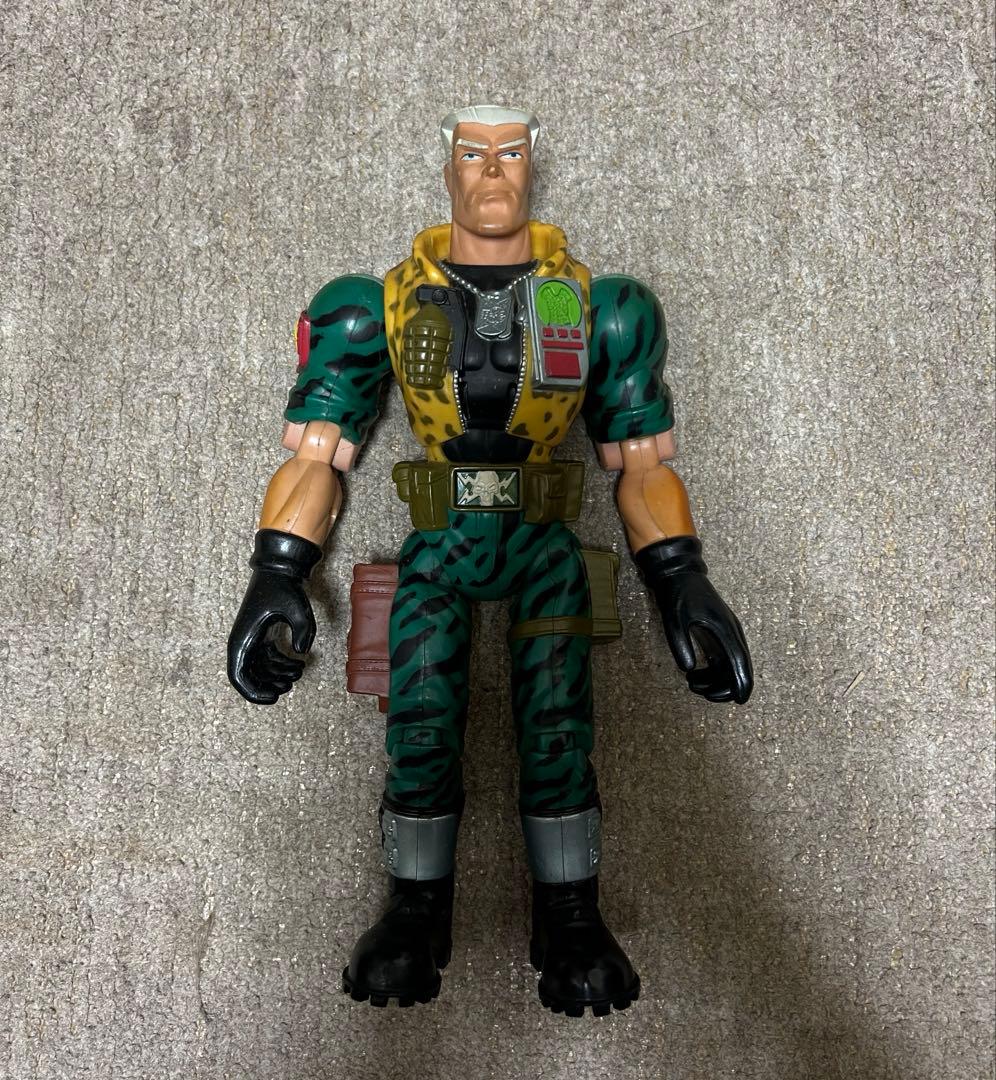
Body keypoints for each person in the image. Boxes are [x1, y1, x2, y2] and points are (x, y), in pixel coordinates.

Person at [228, 104, 753, 1017]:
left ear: (533, 164)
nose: (493, 170)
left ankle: (571, 914)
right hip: (439, 545)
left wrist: (681, 579)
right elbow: (317, 453)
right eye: (473, 153)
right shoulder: (375, 305)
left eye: (510, 152)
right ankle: (414, 909)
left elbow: (640, 462)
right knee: (420, 720)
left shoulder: (604, 306)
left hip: (544, 543)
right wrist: (276, 570)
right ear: (448, 168)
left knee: (559, 725)